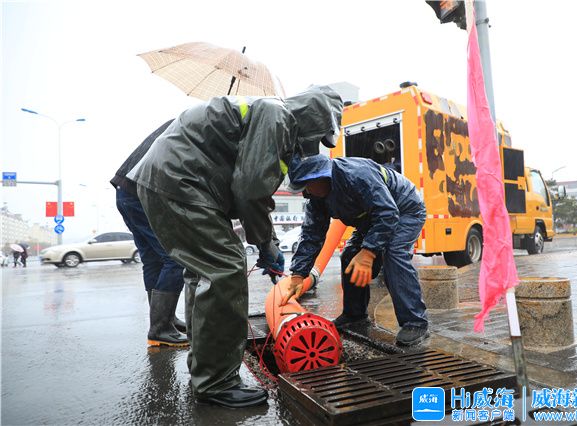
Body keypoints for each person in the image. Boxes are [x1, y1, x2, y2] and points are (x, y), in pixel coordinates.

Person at [127, 86, 343, 408]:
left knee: (201, 272)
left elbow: (247, 184)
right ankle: (216, 382)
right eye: (319, 136)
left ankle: (205, 368)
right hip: (182, 181)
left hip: (172, 180)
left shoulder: (271, 116)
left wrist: (266, 239)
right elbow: (251, 190)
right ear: (316, 118)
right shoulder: (277, 117)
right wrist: (266, 243)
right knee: (225, 269)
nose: (314, 145)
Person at [282, 154, 430, 346]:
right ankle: (355, 315)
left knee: (393, 254)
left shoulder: (358, 175)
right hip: (372, 219)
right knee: (350, 255)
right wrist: (298, 274)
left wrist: (368, 253)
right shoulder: (316, 197)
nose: (305, 192)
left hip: (404, 210)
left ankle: (415, 323)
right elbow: (312, 235)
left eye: (307, 185)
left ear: (321, 177)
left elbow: (387, 213)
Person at [111, 119, 188, 348]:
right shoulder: (195, 128)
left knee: (153, 260)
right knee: (175, 258)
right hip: (143, 193)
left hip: (125, 191)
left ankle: (164, 320)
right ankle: (160, 328)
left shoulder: (180, 123)